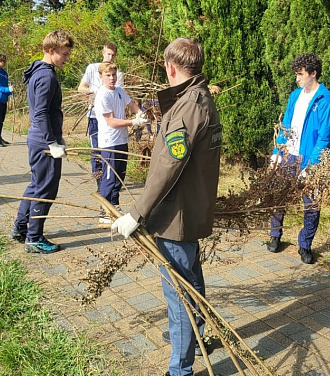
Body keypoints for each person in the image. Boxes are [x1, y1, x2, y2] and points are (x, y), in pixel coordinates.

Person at [111, 37, 222, 376]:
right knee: (191, 280)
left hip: (176, 215)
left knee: (179, 296)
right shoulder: (199, 98)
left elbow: (169, 166)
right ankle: (195, 336)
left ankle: (181, 368)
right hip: (188, 208)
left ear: (171, 67)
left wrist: (137, 212)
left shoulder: (190, 105)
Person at [267, 53, 330, 264]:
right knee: (277, 197)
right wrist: (277, 152)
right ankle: (274, 235)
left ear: (313, 73)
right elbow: (286, 126)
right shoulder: (295, 96)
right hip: (288, 156)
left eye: (300, 74)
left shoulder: (326, 103)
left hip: (310, 161)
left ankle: (305, 245)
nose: (297, 79)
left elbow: (323, 139)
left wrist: (311, 167)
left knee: (311, 205)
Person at [9, 30, 74, 253]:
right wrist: (52, 142)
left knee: (36, 185)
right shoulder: (46, 76)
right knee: (45, 190)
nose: (67, 58)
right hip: (44, 141)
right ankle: (34, 238)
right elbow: (41, 113)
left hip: (39, 138)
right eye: (64, 54)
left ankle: (20, 227)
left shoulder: (39, 71)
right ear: (50, 50)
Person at [94, 62, 147, 223]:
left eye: (114, 75)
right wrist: (133, 122)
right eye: (108, 75)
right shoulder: (102, 95)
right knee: (109, 178)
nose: (112, 78)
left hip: (121, 140)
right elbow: (111, 122)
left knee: (120, 177)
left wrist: (140, 113)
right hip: (109, 141)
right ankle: (104, 212)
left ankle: (114, 206)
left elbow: (131, 104)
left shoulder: (118, 91)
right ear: (101, 77)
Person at [78, 43, 124, 192]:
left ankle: (111, 180)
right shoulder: (92, 68)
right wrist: (96, 93)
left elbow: (120, 95)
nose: (110, 58)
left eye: (113, 55)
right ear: (103, 53)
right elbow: (81, 88)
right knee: (96, 150)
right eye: (108, 54)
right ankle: (100, 181)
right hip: (94, 116)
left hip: (110, 118)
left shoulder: (118, 73)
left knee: (111, 150)